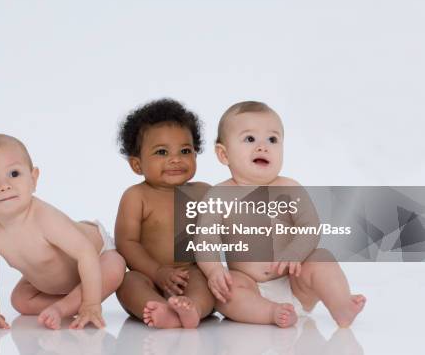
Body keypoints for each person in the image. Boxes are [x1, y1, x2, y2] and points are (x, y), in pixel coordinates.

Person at [199, 101, 366, 328]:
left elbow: (310, 227)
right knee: (225, 291)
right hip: (250, 286)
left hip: (295, 283)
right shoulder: (219, 195)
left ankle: (341, 305)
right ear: (223, 154)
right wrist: (214, 270)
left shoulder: (289, 188)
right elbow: (205, 240)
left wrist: (296, 252)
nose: (263, 147)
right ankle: (269, 312)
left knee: (320, 257)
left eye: (273, 139)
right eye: (250, 139)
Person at [0, 134, 125, 330]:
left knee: (115, 267)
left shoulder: (44, 218)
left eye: (14, 174)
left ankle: (71, 305)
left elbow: (86, 253)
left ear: (33, 178)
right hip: (51, 283)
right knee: (20, 301)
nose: (4, 186)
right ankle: (71, 302)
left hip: (96, 254)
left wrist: (91, 304)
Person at [114, 98, 215, 329]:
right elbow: (126, 243)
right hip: (147, 274)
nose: (175, 159)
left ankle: (194, 309)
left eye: (185, 150)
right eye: (161, 152)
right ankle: (160, 309)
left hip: (188, 272)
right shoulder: (136, 196)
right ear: (137, 165)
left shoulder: (203, 193)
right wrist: (157, 272)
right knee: (127, 282)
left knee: (205, 281)